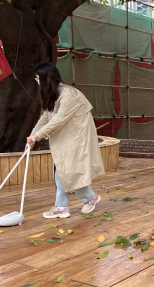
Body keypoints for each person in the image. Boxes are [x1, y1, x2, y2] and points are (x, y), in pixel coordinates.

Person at [26, 63, 105, 219]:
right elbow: (45, 118)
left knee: (65, 170)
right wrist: (32, 137)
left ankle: (62, 206)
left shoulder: (69, 94)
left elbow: (59, 119)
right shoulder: (53, 93)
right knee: (66, 170)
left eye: (38, 78)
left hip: (77, 136)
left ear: (48, 78)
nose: (37, 81)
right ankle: (87, 198)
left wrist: (37, 135)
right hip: (66, 135)